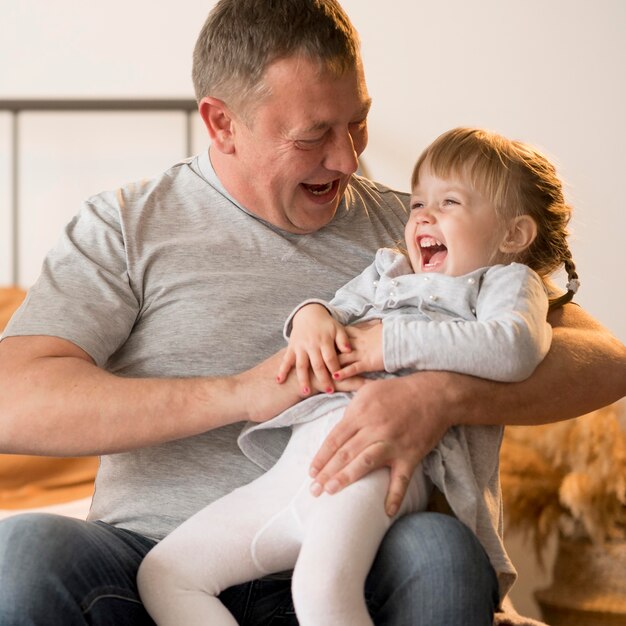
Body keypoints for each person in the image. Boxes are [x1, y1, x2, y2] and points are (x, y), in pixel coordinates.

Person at [0, 1, 623, 625]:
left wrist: (440, 396)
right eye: (313, 135)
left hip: (371, 557)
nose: (348, 159)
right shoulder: (125, 228)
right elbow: (12, 399)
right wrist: (241, 394)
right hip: (150, 564)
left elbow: (604, 360)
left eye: (359, 122)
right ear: (222, 124)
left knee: (442, 551)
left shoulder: (424, 230)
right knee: (23, 549)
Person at [136, 127, 571, 626]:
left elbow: (513, 348)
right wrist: (309, 316)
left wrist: (388, 342)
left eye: (449, 202)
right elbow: (333, 310)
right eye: (417, 204)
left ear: (513, 234)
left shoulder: (504, 282)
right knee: (166, 574)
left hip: (376, 466)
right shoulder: (390, 269)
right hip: (296, 472)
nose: (424, 214)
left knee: (320, 590)